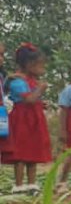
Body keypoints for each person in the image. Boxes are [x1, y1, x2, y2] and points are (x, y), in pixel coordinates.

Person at [1, 43, 51, 193]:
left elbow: (33, 101)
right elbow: (28, 100)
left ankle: (31, 184)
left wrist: (41, 104)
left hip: (33, 121)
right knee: (20, 153)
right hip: (22, 121)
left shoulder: (30, 80)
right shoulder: (17, 81)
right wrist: (40, 90)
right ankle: (19, 185)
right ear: (29, 64)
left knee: (32, 151)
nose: (43, 69)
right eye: (40, 65)